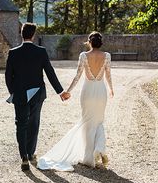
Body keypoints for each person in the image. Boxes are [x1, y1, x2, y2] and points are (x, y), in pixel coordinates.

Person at [37, 31, 114, 171]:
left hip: (88, 91)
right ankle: (99, 149)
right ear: (100, 42)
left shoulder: (84, 56)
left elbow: (77, 76)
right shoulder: (107, 56)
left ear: (89, 42)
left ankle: (89, 157)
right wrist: (111, 89)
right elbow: (108, 75)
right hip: (101, 91)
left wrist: (68, 91)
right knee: (99, 121)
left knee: (87, 122)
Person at [5, 22, 70, 172]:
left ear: (21, 34)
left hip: (20, 93)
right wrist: (60, 92)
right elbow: (49, 72)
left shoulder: (13, 52)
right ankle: (31, 152)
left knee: (21, 124)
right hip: (37, 93)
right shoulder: (41, 51)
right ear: (33, 35)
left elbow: (8, 76)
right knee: (34, 122)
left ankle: (24, 157)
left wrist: (12, 92)